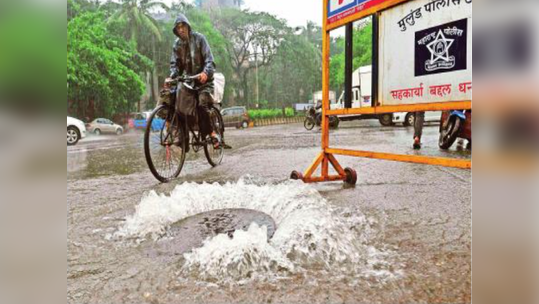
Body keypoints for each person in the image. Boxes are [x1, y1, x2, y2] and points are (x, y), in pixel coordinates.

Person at [166, 14, 219, 148]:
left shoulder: (200, 39)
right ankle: (181, 137)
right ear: (176, 30)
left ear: (188, 26)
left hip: (203, 82)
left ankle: (211, 133)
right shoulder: (177, 45)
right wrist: (173, 75)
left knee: (202, 105)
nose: (181, 29)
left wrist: (205, 73)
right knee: (176, 103)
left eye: (183, 26)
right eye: (178, 28)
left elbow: (210, 61)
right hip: (188, 82)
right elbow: (175, 64)